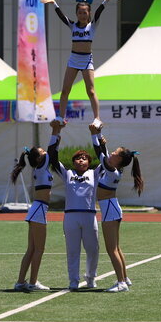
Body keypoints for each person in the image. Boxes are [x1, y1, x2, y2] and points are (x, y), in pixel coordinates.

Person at [41, 0, 121, 128]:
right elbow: (62, 16)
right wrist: (54, 3)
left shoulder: (92, 26)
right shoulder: (73, 26)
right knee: (65, 90)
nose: (82, 15)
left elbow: (98, 13)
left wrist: (106, 1)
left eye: (85, 12)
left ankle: (97, 118)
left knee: (91, 91)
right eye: (80, 13)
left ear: (89, 13)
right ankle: (61, 117)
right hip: (73, 59)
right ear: (76, 14)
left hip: (86, 60)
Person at [89, 123, 143, 293]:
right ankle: (124, 278)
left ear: (119, 160)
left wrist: (93, 135)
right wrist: (99, 134)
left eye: (115, 153)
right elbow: (104, 152)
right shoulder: (113, 169)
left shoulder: (112, 170)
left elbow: (100, 154)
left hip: (110, 210)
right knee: (116, 248)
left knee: (111, 249)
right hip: (111, 208)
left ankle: (120, 283)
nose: (112, 153)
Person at [49, 120, 100, 291]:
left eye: (84, 158)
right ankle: (73, 280)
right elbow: (53, 157)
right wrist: (56, 135)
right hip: (71, 216)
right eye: (78, 158)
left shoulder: (94, 174)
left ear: (89, 162)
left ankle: (91, 277)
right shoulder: (67, 173)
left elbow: (105, 159)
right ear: (73, 162)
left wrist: (96, 136)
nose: (81, 160)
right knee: (72, 250)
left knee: (93, 249)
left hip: (89, 215)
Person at [10, 131, 60, 292]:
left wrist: (58, 136)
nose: (45, 152)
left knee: (32, 249)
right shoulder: (41, 166)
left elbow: (51, 151)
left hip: (37, 209)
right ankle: (32, 282)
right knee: (39, 249)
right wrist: (56, 132)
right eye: (42, 152)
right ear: (38, 158)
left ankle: (20, 282)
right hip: (39, 210)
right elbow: (51, 149)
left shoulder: (40, 168)